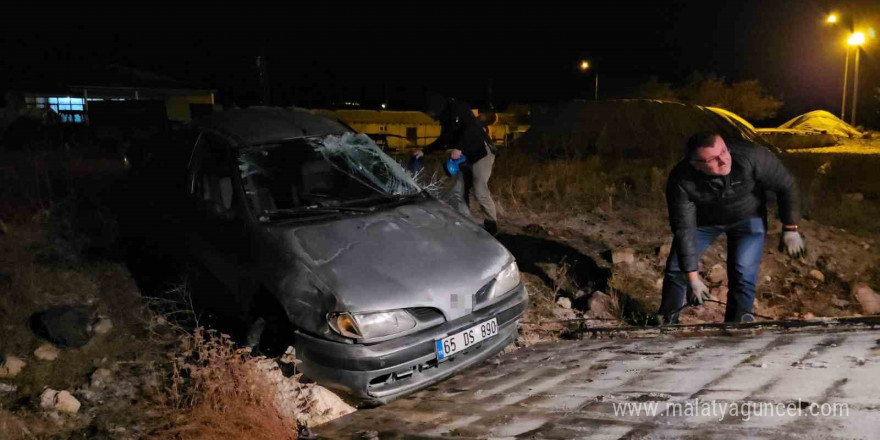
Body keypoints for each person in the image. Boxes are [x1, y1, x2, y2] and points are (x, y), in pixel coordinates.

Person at [659, 132, 806, 324]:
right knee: (678, 268)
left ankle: (739, 323)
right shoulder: (682, 180)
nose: (723, 160)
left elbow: (786, 185)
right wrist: (693, 279)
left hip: (748, 216)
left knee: (743, 272)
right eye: (713, 159)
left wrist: (790, 227)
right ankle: (667, 319)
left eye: (723, 151)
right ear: (696, 165)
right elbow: (684, 229)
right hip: (704, 223)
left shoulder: (752, 156)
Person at [413, 93, 499, 235]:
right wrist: (424, 151)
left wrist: (459, 147)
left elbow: (471, 129)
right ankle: (465, 220)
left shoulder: (459, 108)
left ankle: (492, 225)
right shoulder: (445, 118)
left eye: (431, 112)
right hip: (466, 157)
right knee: (459, 189)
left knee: (479, 189)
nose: (431, 115)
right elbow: (443, 140)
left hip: (481, 152)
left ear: (436, 106)